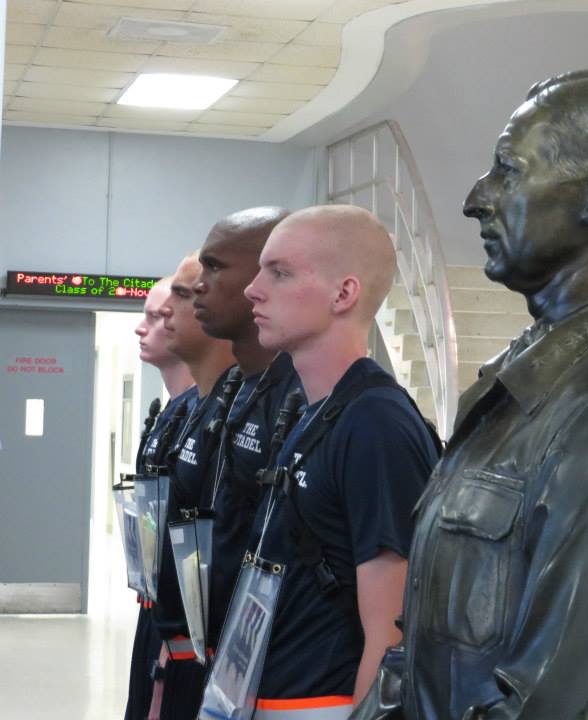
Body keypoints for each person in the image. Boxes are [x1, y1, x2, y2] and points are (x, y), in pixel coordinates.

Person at [353, 70, 588, 720]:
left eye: (509, 172)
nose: (475, 199)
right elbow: (417, 658)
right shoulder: (524, 384)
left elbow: (573, 701)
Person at [216, 205, 439, 717]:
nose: (254, 289)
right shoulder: (317, 412)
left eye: (280, 272)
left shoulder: (375, 424)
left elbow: (392, 633)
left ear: (344, 294)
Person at [191, 206, 301, 655]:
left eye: (214, 267)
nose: (200, 284)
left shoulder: (308, 401)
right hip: (215, 646)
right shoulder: (234, 388)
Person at [150, 254, 236, 720]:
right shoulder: (188, 410)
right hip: (179, 636)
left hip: (221, 657)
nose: (164, 315)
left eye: (181, 296)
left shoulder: (374, 420)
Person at [125, 277, 197, 720]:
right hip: (156, 612)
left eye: (155, 316)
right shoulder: (169, 415)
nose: (142, 327)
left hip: (187, 633)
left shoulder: (207, 417)